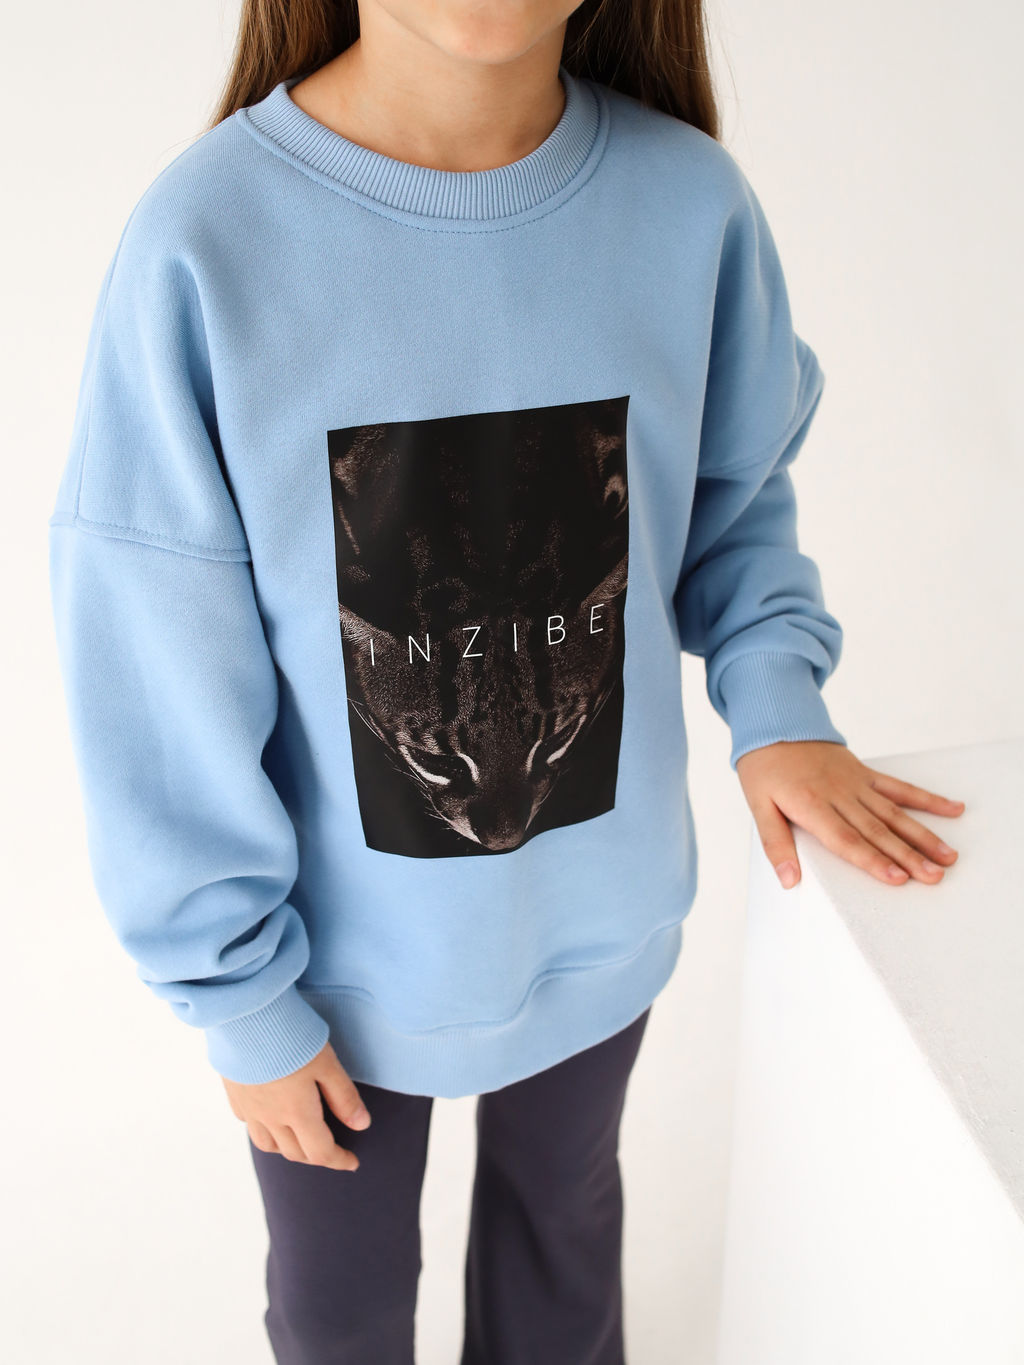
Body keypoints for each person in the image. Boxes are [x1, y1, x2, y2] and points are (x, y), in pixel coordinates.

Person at [47, 1, 966, 1361]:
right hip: (332, 982)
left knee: (565, 1255)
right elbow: (154, 661)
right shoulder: (207, 241)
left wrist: (775, 700)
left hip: (600, 932)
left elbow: (734, 501)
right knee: (341, 1312)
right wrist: (238, 992)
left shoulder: (688, 207)